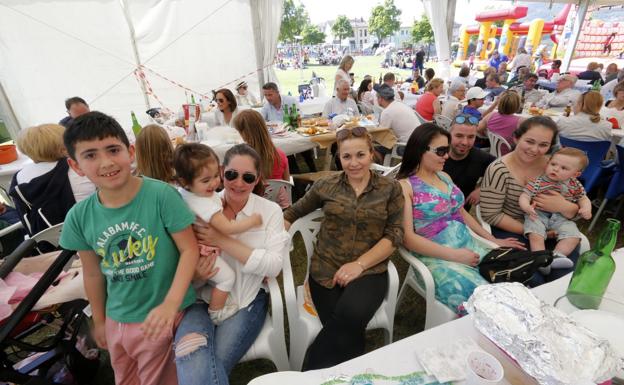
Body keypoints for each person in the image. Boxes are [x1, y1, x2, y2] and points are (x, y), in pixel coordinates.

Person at [59, 111, 198, 385]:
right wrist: (99, 319)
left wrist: (170, 305)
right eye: (90, 155)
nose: (106, 162)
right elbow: (92, 273)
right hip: (117, 319)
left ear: (130, 151)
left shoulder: (161, 196)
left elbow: (189, 250)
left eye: (113, 150)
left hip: (160, 317)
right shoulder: (78, 216)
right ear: (75, 166)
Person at [283, 126, 404, 369]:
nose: (353, 163)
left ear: (372, 154)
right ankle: (354, 371)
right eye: (346, 156)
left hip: (369, 269)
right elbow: (293, 212)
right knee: (346, 327)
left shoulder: (390, 189)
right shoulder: (326, 186)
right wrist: (276, 243)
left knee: (350, 316)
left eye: (360, 155)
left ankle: (307, 376)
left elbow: (395, 233)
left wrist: (359, 265)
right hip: (325, 269)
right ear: (339, 157)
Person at [178, 144, 289, 384]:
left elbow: (273, 266)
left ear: (257, 178)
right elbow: (183, 255)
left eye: (248, 177)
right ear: (221, 172)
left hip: (244, 300)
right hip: (198, 299)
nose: (238, 183)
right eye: (231, 175)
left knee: (208, 366)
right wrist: (196, 275)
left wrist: (221, 240)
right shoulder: (200, 206)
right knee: (194, 362)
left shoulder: (269, 212)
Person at [398, 123, 523, 314]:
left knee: (512, 284)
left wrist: (493, 240)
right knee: (484, 301)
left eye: (446, 150)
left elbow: (461, 213)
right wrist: (456, 256)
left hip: (468, 245)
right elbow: (408, 238)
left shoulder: (444, 176)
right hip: (435, 257)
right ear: (420, 150)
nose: (447, 156)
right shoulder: (405, 187)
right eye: (440, 151)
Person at [480, 116, 582, 285]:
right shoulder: (499, 170)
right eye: (530, 141)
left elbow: (576, 204)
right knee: (534, 277)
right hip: (513, 228)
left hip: (554, 227)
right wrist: (532, 230)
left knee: (562, 276)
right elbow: (491, 214)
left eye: (543, 145)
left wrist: (566, 207)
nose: (535, 149)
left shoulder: (555, 166)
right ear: (516, 138)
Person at [173, 143, 263, 324]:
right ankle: (216, 313)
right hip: (202, 252)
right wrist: (251, 221)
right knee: (227, 278)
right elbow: (227, 228)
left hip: (193, 249)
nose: (215, 183)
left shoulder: (185, 193)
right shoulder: (202, 203)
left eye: (216, 176)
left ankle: (210, 298)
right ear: (185, 182)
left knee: (212, 278)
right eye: (206, 181)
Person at [9, 123, 95, 236]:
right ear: (63, 145)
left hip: (50, 244)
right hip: (94, 233)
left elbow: (23, 215)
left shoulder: (18, 178)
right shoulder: (79, 168)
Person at [519, 147, 592, 274]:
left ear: (576, 174)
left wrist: (586, 208)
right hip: (538, 215)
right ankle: (540, 258)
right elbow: (525, 195)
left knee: (573, 236)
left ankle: (557, 256)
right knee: (535, 235)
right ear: (548, 164)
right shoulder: (538, 182)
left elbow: (583, 198)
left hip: (561, 218)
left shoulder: (575, 185)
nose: (556, 169)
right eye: (553, 164)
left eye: (564, 168)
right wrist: (526, 207)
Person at [233, 109, 291, 208]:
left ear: (244, 133)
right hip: (278, 205)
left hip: (251, 206)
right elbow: (287, 182)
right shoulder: (280, 154)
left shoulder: (241, 158)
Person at [443, 114, 495, 211]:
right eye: (459, 136)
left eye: (471, 137)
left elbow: (505, 169)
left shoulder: (480, 157)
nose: (465, 142)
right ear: (449, 135)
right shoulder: (437, 154)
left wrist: (483, 189)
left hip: (461, 214)